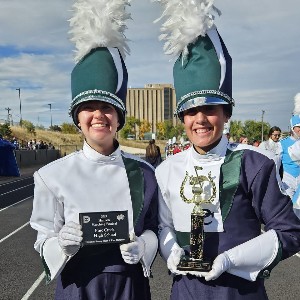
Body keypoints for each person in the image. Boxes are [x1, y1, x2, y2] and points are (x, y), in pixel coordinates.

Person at [154, 2, 300, 299]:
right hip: (185, 292)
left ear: (226, 114)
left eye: (210, 109)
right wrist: (171, 254)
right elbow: (163, 226)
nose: (200, 119)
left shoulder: (253, 164)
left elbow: (289, 232)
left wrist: (230, 260)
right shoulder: (166, 169)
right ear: (182, 118)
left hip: (240, 293)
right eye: (191, 111)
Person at [30, 2, 158, 299]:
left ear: (119, 118)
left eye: (107, 108)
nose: (98, 115)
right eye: (88, 108)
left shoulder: (145, 173)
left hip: (131, 286)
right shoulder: (51, 175)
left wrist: (144, 246)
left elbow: (155, 227)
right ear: (77, 118)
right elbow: (42, 238)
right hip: (78, 287)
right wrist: (60, 244)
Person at [278, 93, 300, 217]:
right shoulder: (283, 143)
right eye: (298, 127)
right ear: (292, 128)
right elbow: (276, 163)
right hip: (288, 179)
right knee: (288, 208)